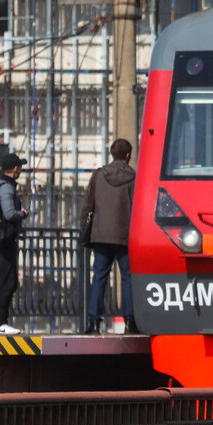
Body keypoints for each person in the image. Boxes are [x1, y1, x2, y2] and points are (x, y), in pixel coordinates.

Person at [79, 138, 137, 334]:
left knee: (99, 277)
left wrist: (84, 233)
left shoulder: (98, 176)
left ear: (112, 154)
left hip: (101, 235)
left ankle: (94, 322)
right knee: (128, 277)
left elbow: (87, 205)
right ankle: (130, 322)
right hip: (125, 236)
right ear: (128, 156)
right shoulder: (135, 178)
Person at [0, 152, 29, 334]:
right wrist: (22, 214)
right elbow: (8, 214)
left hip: (6, 240)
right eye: (20, 167)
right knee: (4, 282)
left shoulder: (5, 186)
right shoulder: (6, 188)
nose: (20, 170)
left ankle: (1, 322)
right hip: (4, 241)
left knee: (10, 281)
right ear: (15, 169)